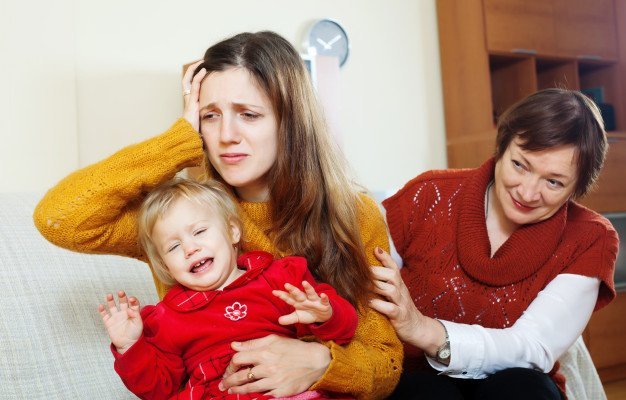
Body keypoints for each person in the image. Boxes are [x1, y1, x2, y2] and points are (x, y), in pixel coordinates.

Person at [33, 31, 402, 398]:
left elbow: (385, 363)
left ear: (289, 121)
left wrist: (322, 361)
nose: (226, 135)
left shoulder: (353, 214)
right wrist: (177, 141)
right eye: (210, 116)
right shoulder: (179, 220)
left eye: (249, 114)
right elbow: (59, 218)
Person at [370, 88, 619, 399]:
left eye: (553, 182)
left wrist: (425, 330)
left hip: (516, 386)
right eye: (520, 165)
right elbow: (361, 283)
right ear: (502, 147)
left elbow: (533, 347)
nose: (527, 193)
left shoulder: (591, 238)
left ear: (577, 188)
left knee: (523, 388)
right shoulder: (427, 194)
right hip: (416, 379)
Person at [100, 178, 357, 399]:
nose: (191, 248)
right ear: (166, 267)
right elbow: (157, 391)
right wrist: (130, 347)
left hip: (290, 390)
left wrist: (326, 315)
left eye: (199, 231)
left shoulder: (279, 279)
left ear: (233, 232)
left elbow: (346, 331)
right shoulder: (168, 318)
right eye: (173, 247)